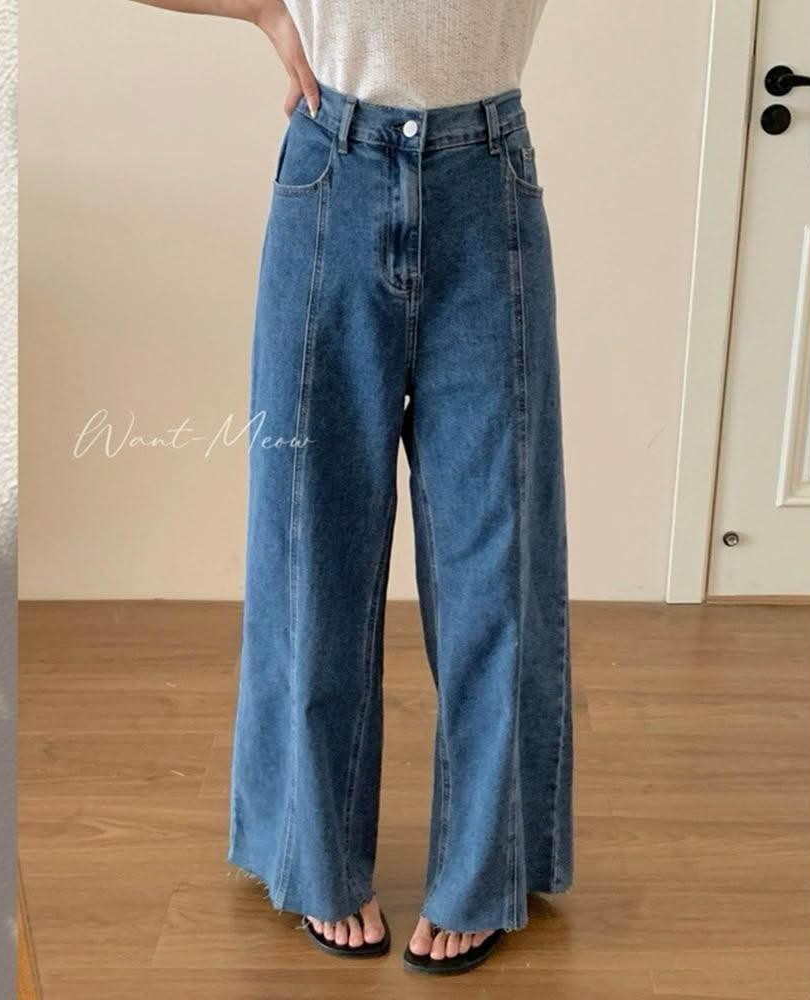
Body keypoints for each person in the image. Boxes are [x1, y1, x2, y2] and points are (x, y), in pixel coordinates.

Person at [135, 0, 572, 975]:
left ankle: (487, 865)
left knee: (497, 549)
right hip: (334, 171)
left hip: (486, 181)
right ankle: (314, 849)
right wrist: (262, 9)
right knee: (309, 544)